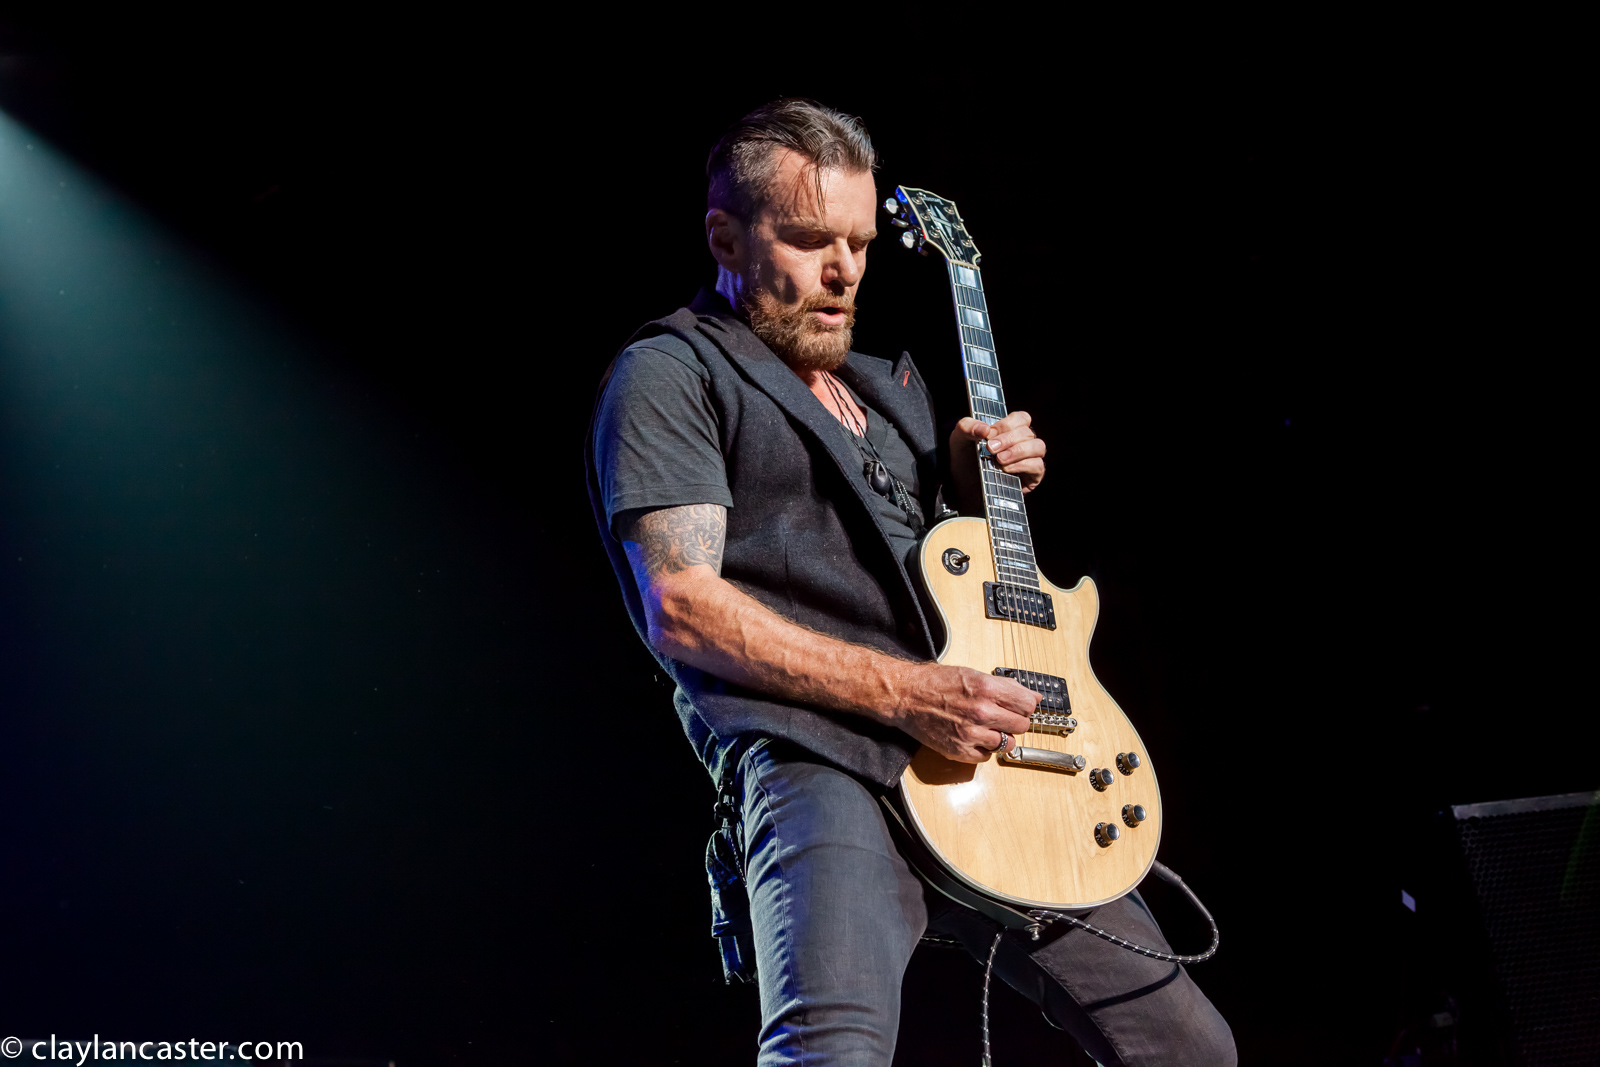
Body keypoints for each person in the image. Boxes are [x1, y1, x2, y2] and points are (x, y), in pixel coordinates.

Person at [586, 98, 1235, 1066]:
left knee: (1187, 1045)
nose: (843, 270)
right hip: (821, 756)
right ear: (725, 236)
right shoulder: (671, 374)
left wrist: (967, 489)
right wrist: (907, 692)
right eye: (809, 240)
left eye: (856, 243)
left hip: (984, 756)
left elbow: (934, 580)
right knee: (833, 1049)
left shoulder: (889, 389)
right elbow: (680, 605)